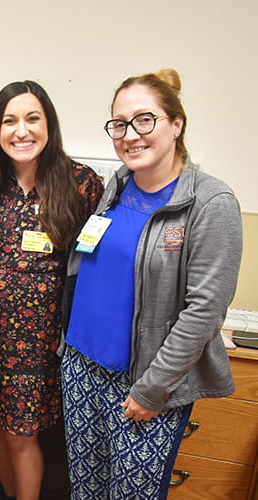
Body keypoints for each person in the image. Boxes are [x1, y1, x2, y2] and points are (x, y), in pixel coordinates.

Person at [60, 69, 242, 499]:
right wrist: (65, 349)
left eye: (145, 120)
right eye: (119, 124)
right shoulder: (117, 186)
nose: (131, 135)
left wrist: (153, 389)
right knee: (84, 492)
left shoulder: (210, 203)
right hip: (81, 369)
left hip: (142, 384)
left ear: (176, 124)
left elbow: (205, 311)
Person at [0, 81, 104, 500]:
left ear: (48, 124)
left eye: (32, 119)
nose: (22, 131)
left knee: (21, 436)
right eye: (10, 121)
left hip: (40, 342)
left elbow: (96, 259)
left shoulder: (80, 184)